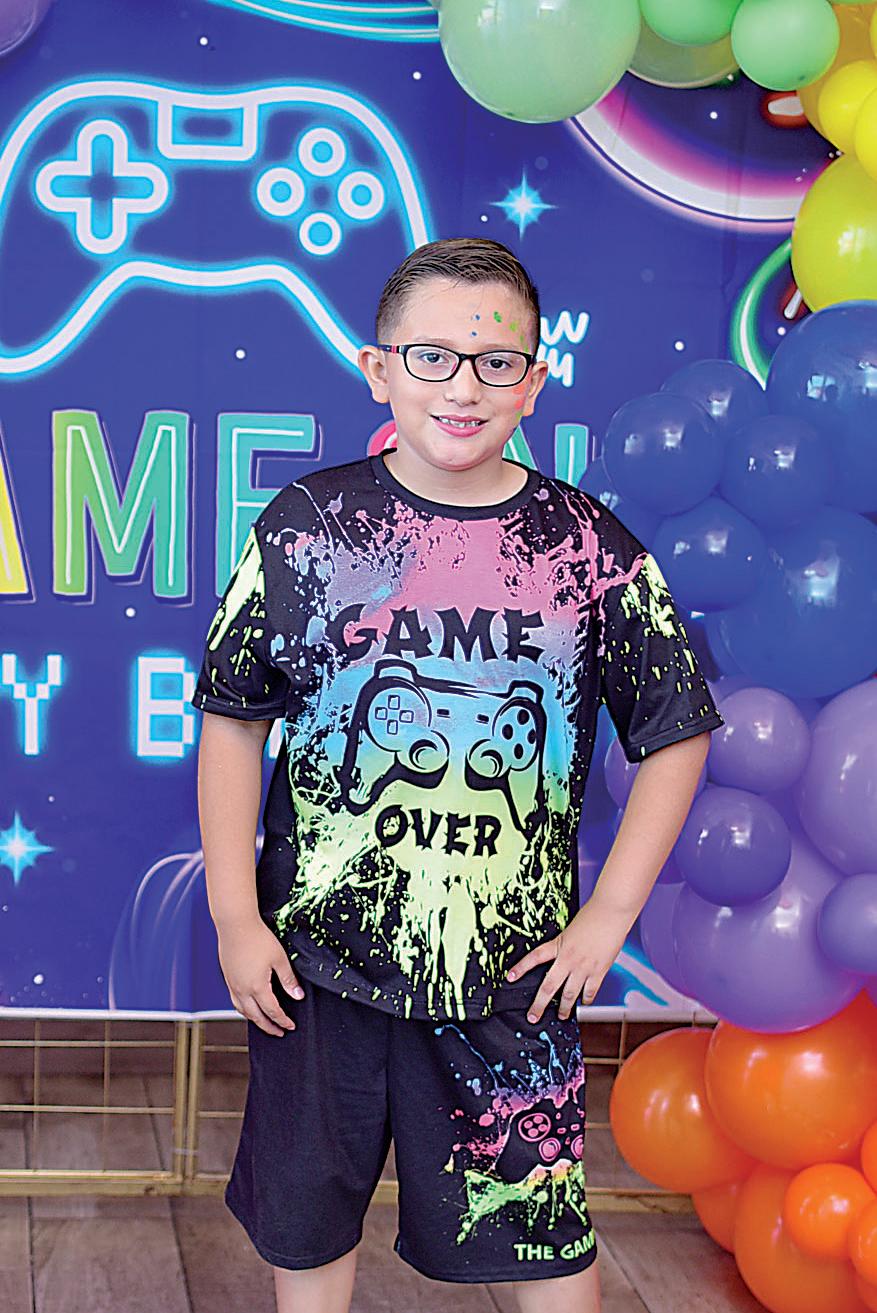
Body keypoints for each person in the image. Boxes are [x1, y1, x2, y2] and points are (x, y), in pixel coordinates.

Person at [191, 236, 725, 1313]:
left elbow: (677, 729)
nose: (462, 386)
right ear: (377, 369)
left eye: (494, 361)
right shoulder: (309, 528)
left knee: (541, 1236)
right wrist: (234, 916)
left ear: (533, 381)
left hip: (507, 976)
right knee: (305, 1224)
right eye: (431, 356)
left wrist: (608, 915)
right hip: (316, 969)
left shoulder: (589, 549)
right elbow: (233, 722)